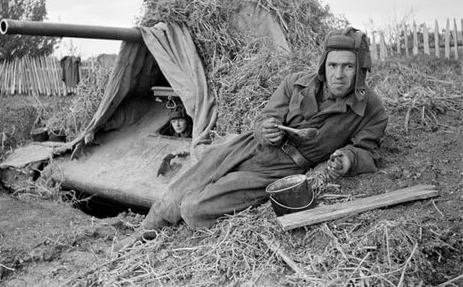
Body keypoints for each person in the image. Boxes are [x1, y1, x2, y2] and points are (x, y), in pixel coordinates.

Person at [137, 27, 388, 239]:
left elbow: (370, 152)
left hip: (281, 168)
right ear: (324, 64)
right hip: (250, 146)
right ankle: (144, 233)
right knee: (183, 187)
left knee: (193, 209)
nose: (339, 75)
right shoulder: (295, 83)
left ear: (360, 70)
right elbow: (265, 118)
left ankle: (183, 223)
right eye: (333, 65)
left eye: (348, 67)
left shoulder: (371, 109)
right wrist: (266, 129)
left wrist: (349, 159)